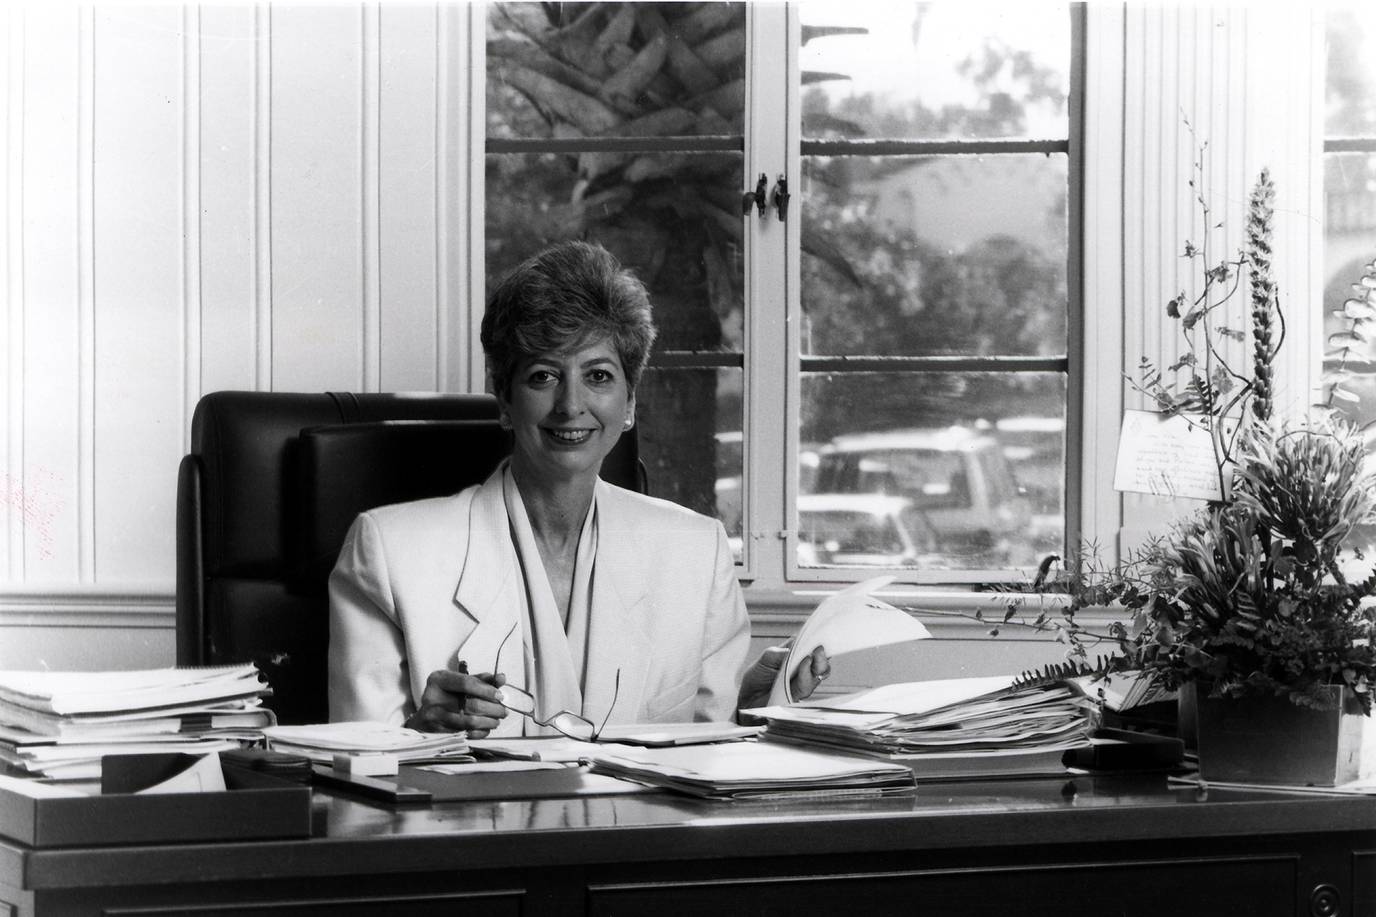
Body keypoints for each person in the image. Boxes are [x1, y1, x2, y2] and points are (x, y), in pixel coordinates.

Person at [328, 240, 827, 735]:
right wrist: (422, 730)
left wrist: (764, 707)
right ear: (504, 400)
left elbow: (705, 752)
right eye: (544, 376)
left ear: (630, 403)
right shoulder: (391, 551)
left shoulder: (695, 553)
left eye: (598, 376)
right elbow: (352, 770)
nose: (571, 404)